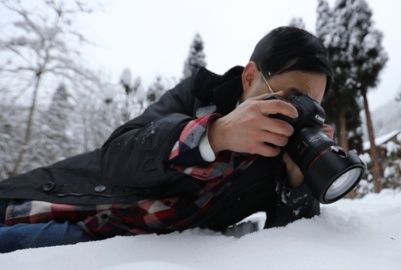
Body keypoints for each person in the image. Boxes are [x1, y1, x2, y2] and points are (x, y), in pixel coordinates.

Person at [0, 26, 334, 253]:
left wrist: (298, 180)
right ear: (250, 77)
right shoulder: (199, 94)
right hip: (55, 201)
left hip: (106, 246)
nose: (298, 113)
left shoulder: (274, 164)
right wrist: (214, 135)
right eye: (292, 97)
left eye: (312, 107)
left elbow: (289, 247)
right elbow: (116, 157)